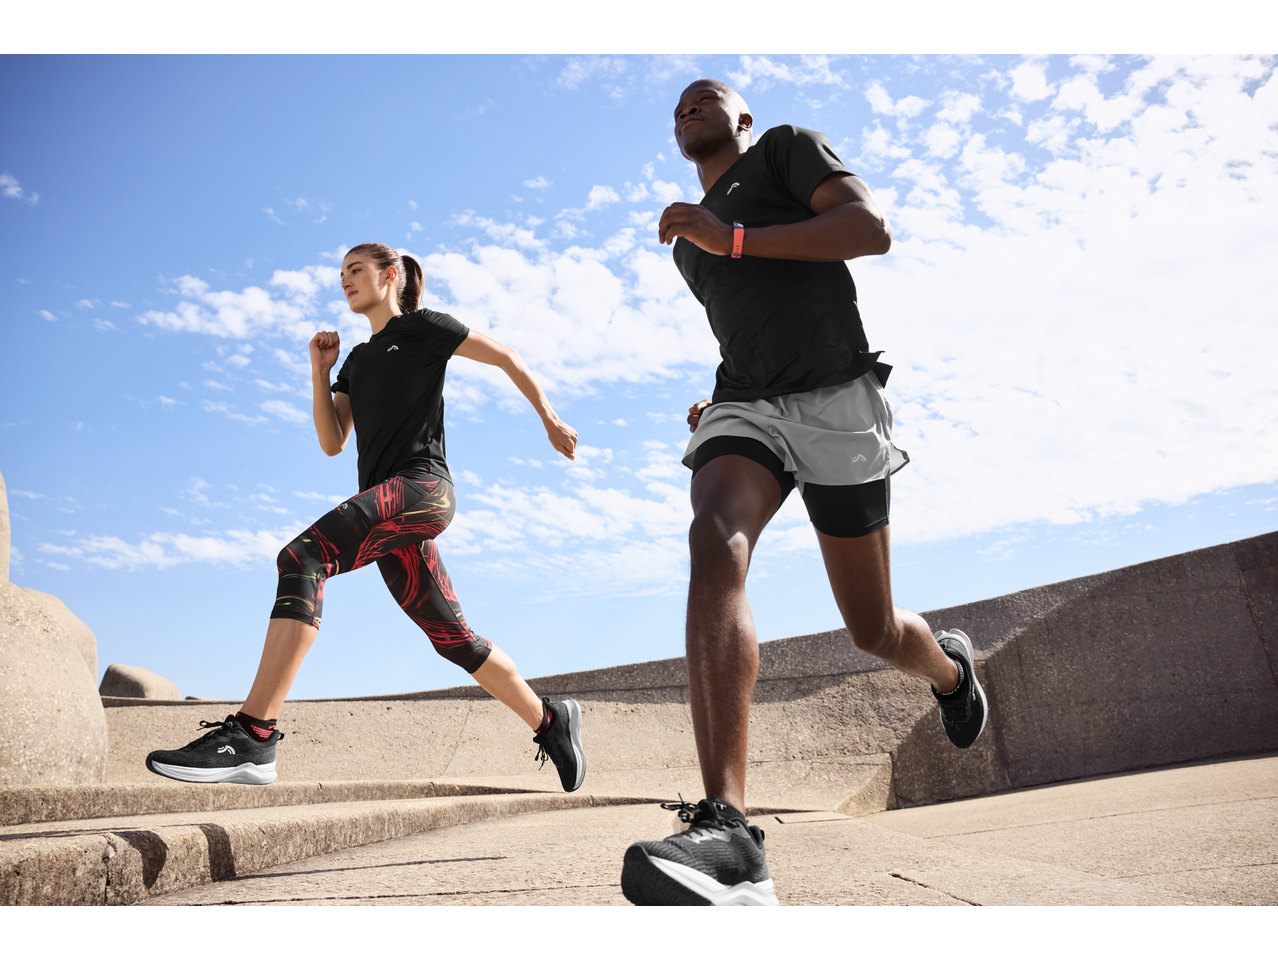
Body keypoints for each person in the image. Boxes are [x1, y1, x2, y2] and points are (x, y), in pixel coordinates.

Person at [619, 80, 987, 907]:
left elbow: (869, 230)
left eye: (704, 97)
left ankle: (949, 670)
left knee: (873, 626)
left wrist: (731, 235)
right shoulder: (689, 246)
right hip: (747, 402)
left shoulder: (783, 151)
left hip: (835, 396)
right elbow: (748, 323)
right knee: (713, 535)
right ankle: (729, 832)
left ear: (741, 117)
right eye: (675, 105)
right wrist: (721, 397)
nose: (686, 107)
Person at [146, 243, 586, 793]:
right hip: (387, 511)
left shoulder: (426, 328)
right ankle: (550, 720)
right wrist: (320, 371)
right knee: (454, 639)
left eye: (356, 270)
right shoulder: (356, 360)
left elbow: (505, 356)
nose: (345, 280)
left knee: (302, 556)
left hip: (423, 490)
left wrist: (549, 418)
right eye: (340, 274)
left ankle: (254, 735)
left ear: (390, 275)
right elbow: (333, 442)